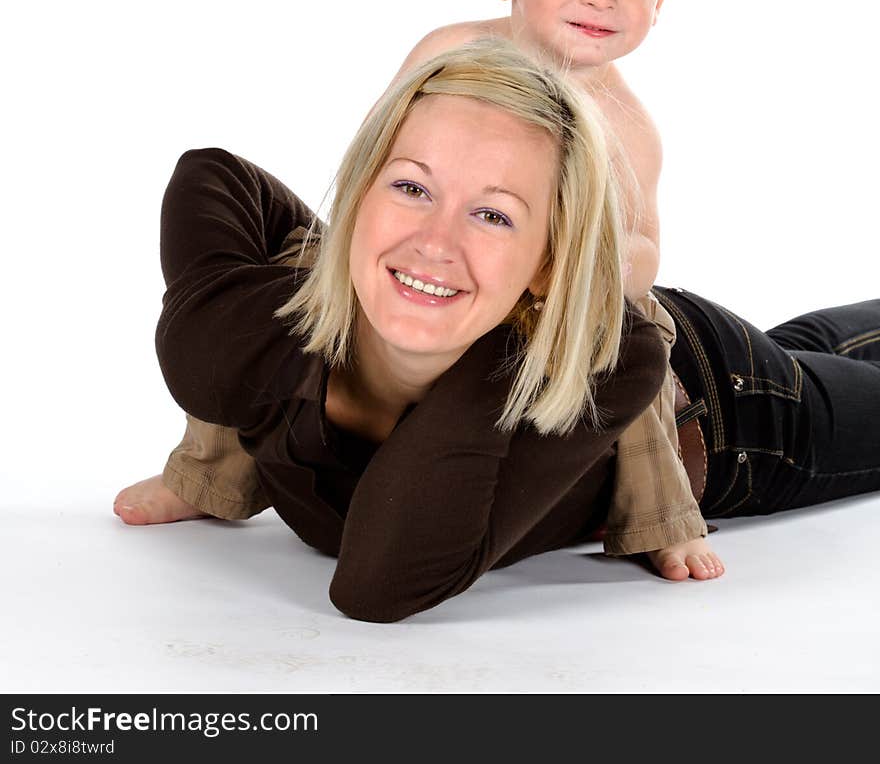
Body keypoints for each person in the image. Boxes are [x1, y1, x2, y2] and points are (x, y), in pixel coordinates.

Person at [117, 0, 722, 582]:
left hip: (546, 308)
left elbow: (646, 253)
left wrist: (576, 260)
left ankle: (659, 520)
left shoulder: (627, 128)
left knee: (629, 347)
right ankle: (206, 476)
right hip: (422, 285)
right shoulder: (450, 51)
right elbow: (383, 164)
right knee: (290, 305)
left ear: (660, 0)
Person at [151, 41, 880, 623]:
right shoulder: (252, 336)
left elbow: (377, 587)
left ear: (549, 267)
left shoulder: (607, 351)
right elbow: (213, 175)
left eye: (494, 214)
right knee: (825, 345)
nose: (434, 243)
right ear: (360, 193)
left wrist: (496, 326)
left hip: (729, 414)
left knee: (818, 374)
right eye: (410, 187)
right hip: (589, 319)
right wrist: (351, 288)